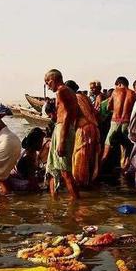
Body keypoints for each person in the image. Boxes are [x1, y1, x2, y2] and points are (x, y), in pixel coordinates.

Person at [45, 69, 80, 199]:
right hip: (65, 129)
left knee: (65, 172)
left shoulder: (62, 91)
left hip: (63, 130)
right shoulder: (69, 91)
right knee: (58, 169)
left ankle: (76, 203)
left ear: (53, 80)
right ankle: (56, 200)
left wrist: (61, 141)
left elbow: (66, 116)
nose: (48, 86)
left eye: (47, 82)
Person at [68, 81, 101, 188]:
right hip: (92, 129)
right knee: (90, 158)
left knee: (81, 157)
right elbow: (93, 112)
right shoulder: (84, 97)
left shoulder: (76, 98)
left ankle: (81, 185)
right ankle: (87, 183)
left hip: (84, 130)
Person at [101, 76, 135, 168]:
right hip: (126, 123)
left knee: (107, 146)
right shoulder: (133, 93)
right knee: (125, 149)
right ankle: (125, 169)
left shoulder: (115, 92)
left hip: (114, 122)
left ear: (119, 84)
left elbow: (108, 107)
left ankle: (101, 166)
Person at [9, 128, 45, 192]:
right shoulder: (29, 157)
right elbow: (31, 179)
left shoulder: (30, 152)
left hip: (18, 177)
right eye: (40, 142)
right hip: (18, 182)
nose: (42, 144)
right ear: (34, 143)